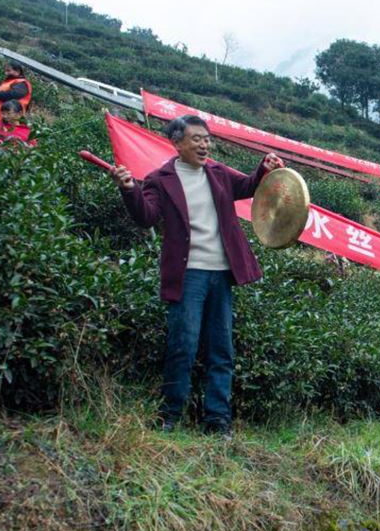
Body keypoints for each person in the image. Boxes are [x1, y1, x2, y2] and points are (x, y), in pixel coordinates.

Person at [111, 114, 284, 434]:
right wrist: (129, 190)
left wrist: (264, 168)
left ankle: (217, 419)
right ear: (176, 143)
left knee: (222, 350)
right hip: (188, 275)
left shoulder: (218, 173)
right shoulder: (160, 179)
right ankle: (169, 415)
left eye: (206, 139)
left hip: (221, 274)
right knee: (183, 346)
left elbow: (247, 185)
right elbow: (146, 217)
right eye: (196, 139)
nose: (204, 145)